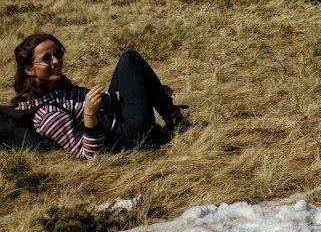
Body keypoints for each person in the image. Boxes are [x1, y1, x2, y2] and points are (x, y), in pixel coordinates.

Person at [11, 33, 189, 160]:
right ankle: (175, 121)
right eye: (46, 58)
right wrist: (89, 116)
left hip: (118, 118)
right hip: (123, 135)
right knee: (130, 59)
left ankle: (174, 118)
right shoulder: (48, 115)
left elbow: (107, 100)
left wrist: (148, 90)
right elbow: (86, 154)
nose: (56, 61)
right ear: (29, 69)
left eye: (57, 53)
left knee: (128, 65)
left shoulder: (58, 88)